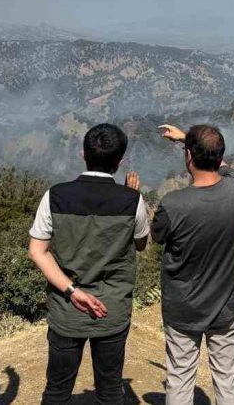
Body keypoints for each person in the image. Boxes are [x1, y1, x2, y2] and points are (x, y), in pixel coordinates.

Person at [28, 123, 149, 405]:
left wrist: (73, 292)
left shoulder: (55, 195)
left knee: (57, 391)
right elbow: (141, 244)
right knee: (109, 391)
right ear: (119, 162)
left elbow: (37, 252)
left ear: (83, 154)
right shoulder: (133, 200)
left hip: (66, 309)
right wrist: (131, 197)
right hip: (112, 310)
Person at [152, 123, 234, 405]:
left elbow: (157, 237)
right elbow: (227, 168)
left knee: (180, 377)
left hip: (183, 306)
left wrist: (187, 142)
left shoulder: (173, 204)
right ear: (220, 158)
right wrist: (189, 140)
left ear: (188, 158)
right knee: (228, 377)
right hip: (228, 304)